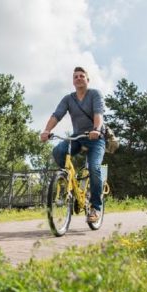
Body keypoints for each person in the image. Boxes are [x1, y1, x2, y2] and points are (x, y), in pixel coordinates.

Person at [40, 66, 106, 223]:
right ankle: (70, 180)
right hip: (77, 137)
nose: (78, 78)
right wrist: (46, 130)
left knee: (94, 169)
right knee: (57, 151)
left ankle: (95, 207)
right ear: (73, 81)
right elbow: (57, 115)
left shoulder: (95, 94)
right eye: (76, 76)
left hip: (95, 138)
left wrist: (96, 129)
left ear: (87, 80)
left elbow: (99, 114)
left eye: (82, 76)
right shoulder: (68, 99)